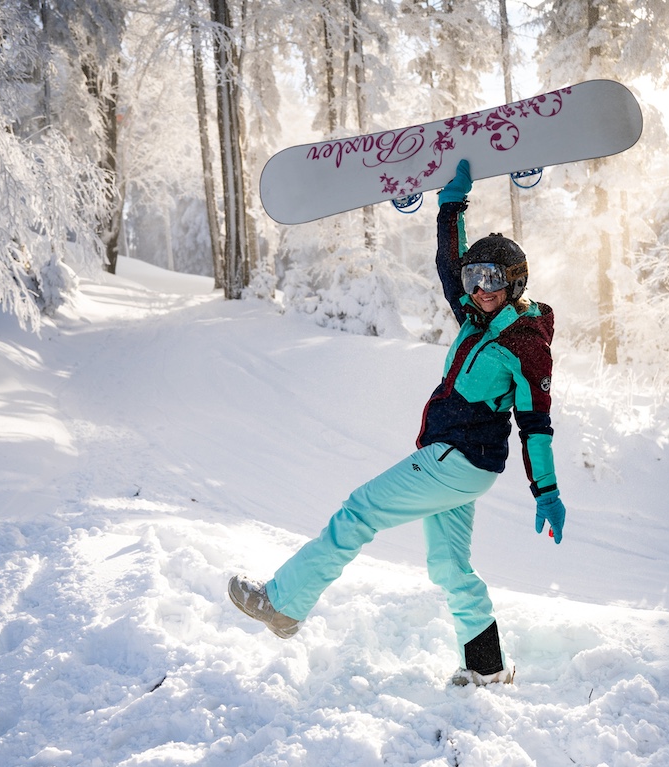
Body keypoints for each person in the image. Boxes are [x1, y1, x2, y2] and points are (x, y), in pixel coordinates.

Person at [228, 159, 566, 687]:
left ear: (515, 282)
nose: (479, 288)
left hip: (456, 460)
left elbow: (536, 422)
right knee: (452, 569)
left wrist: (546, 490)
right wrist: (451, 205)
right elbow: (447, 263)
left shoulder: (523, 342)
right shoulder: (479, 319)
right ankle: (485, 667)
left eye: (492, 279)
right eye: (474, 278)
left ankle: (283, 604)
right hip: (461, 464)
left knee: (358, 512)